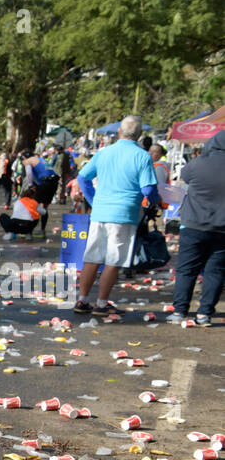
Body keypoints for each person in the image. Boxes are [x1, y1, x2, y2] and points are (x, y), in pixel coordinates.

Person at [71, 115, 159, 316]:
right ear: (140, 134)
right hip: (124, 213)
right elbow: (147, 190)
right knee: (113, 260)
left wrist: (94, 200)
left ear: (119, 131)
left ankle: (82, 300)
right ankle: (101, 304)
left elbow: (83, 177)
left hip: (100, 212)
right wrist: (155, 197)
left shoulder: (104, 153)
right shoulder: (142, 156)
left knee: (92, 258)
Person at [169, 130, 225, 326]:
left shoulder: (199, 163)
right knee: (215, 271)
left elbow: (184, 177)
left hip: (193, 225)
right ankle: (204, 314)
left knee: (186, 270)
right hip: (222, 228)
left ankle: (179, 311)